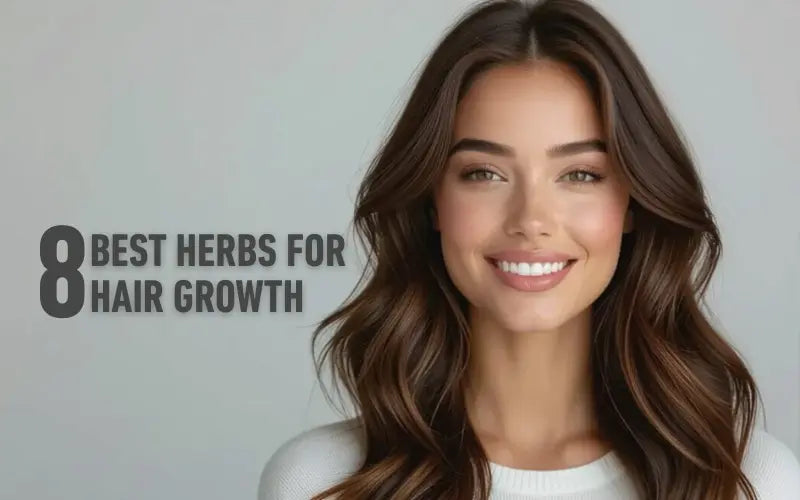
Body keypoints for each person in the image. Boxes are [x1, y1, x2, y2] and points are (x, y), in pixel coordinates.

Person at [257, 0, 800, 498]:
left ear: (633, 202)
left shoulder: (749, 481)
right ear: (432, 202)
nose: (531, 220)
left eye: (580, 174)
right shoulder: (322, 482)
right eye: (484, 173)